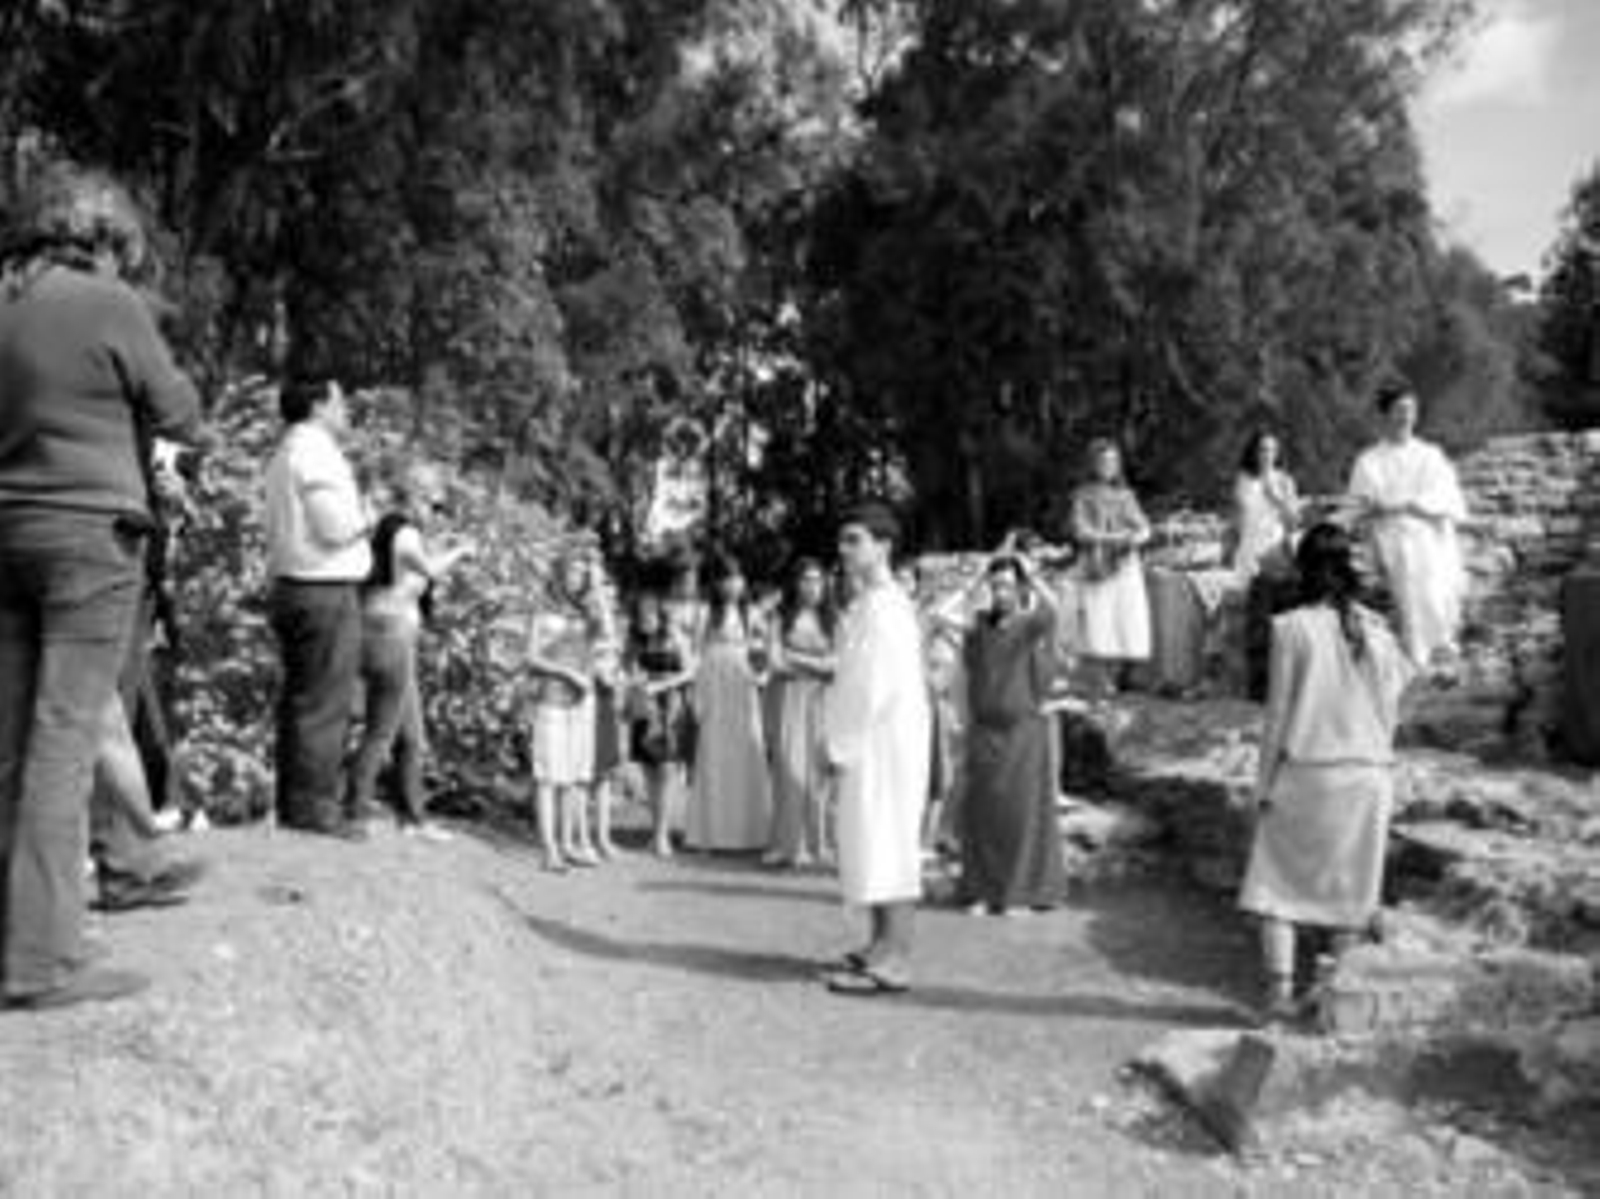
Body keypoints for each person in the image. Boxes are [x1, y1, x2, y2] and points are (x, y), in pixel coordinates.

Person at [0, 163, 203, 1008]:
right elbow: (182, 411)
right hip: (90, 538)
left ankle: (16, 939)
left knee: (11, 746)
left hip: (6, 532)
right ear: (102, 239)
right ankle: (42, 962)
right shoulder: (107, 303)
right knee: (63, 743)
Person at [1238, 523, 1415, 1023]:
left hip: (1311, 771)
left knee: (1276, 886)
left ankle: (1278, 998)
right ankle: (1333, 999)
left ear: (1304, 568)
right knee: (1351, 895)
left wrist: (1262, 783)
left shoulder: (1290, 627)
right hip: (1369, 774)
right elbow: (1395, 706)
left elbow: (1278, 714)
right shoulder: (1379, 631)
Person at [820, 503, 931, 996]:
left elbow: (873, 685)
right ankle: (880, 944)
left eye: (855, 539)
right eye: (843, 540)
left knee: (889, 840)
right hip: (875, 736)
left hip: (883, 739)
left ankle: (898, 958)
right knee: (870, 838)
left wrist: (839, 743)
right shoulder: (870, 602)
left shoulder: (886, 605)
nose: (845, 549)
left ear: (883, 546)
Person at [265, 378, 373, 839]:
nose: (345, 408)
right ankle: (315, 809)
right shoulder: (315, 452)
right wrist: (368, 514)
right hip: (323, 587)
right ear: (318, 404)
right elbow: (333, 527)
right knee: (326, 702)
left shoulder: (286, 450)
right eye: (340, 398)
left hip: (294, 584)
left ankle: (295, 802)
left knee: (301, 699)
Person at [347, 466, 473, 839]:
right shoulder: (400, 530)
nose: (436, 513)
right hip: (388, 636)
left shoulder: (400, 530)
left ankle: (412, 819)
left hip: (395, 636)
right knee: (381, 732)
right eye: (434, 505)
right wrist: (460, 551)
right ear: (417, 496)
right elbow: (429, 569)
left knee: (412, 737)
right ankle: (354, 812)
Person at [959, 549, 1069, 916]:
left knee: (1020, 817)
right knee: (983, 815)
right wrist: (974, 581)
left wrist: (1031, 575)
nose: (1000, 593)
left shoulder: (1028, 624)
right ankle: (982, 891)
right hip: (985, 733)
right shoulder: (978, 626)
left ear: (1018, 589)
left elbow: (1054, 609)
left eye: (1006, 586)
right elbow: (940, 616)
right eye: (995, 586)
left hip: (1023, 735)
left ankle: (1017, 894)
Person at [1347, 383, 1469, 670]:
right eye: (1400, 410)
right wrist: (1390, 509)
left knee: (1422, 550)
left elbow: (1445, 497)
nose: (1407, 416)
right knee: (1406, 551)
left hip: (1428, 532)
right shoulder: (1369, 460)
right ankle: (1417, 651)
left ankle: (1438, 645)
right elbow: (1361, 505)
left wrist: (1405, 505)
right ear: (1385, 414)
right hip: (1389, 536)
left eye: (1412, 410)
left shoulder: (1430, 454)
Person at [685, 551, 773, 852]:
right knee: (714, 755)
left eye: (737, 577)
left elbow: (767, 647)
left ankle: (750, 834)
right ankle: (708, 835)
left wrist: (760, 669)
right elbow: (695, 654)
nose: (733, 584)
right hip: (714, 684)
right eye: (727, 578)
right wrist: (697, 695)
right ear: (718, 582)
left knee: (747, 752)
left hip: (743, 684)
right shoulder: (705, 612)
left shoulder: (754, 613)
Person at [524, 548, 599, 871]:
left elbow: (598, 644)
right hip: (551, 698)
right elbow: (530, 658)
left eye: (583, 573)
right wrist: (566, 672)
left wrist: (595, 589)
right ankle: (549, 849)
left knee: (570, 776)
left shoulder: (584, 611)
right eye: (573, 571)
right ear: (558, 572)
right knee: (547, 776)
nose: (578, 578)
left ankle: (567, 843)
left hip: (579, 702)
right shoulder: (542, 610)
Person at [763, 558, 837, 868]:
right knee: (788, 767)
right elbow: (774, 663)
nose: (812, 586)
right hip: (788, 699)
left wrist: (795, 657)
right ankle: (788, 844)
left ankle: (818, 843)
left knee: (818, 772)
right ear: (795, 583)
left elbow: (836, 666)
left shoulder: (833, 620)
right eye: (806, 579)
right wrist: (814, 663)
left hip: (821, 701)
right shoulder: (780, 617)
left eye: (817, 580)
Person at [1071, 439, 1152, 695]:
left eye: (1114, 461)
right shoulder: (1083, 495)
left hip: (1126, 563)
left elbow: (1144, 527)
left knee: (1127, 617)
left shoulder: (1126, 495)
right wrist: (1110, 538)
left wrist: (1138, 537)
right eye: (1104, 461)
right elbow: (1079, 530)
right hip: (1098, 563)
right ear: (1093, 464)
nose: (1109, 466)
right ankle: (1102, 677)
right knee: (1100, 618)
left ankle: (1124, 675)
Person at [1232, 429, 1303, 702]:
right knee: (1256, 621)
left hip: (1276, 554)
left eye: (1272, 449)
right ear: (1254, 452)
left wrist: (1275, 496)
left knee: (1280, 618)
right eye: (1262, 449)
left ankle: (1284, 681)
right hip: (1250, 551)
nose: (1267, 454)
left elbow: (1294, 521)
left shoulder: (1285, 480)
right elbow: (1240, 521)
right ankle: (1258, 685)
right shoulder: (1243, 480)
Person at [625, 589, 696, 856]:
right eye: (641, 615)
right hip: (644, 708)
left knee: (666, 772)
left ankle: (663, 835)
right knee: (649, 773)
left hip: (671, 708)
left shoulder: (675, 636)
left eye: (650, 614)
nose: (645, 620)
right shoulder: (634, 640)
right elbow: (629, 669)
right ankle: (655, 831)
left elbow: (690, 671)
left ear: (659, 614)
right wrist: (635, 682)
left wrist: (662, 683)